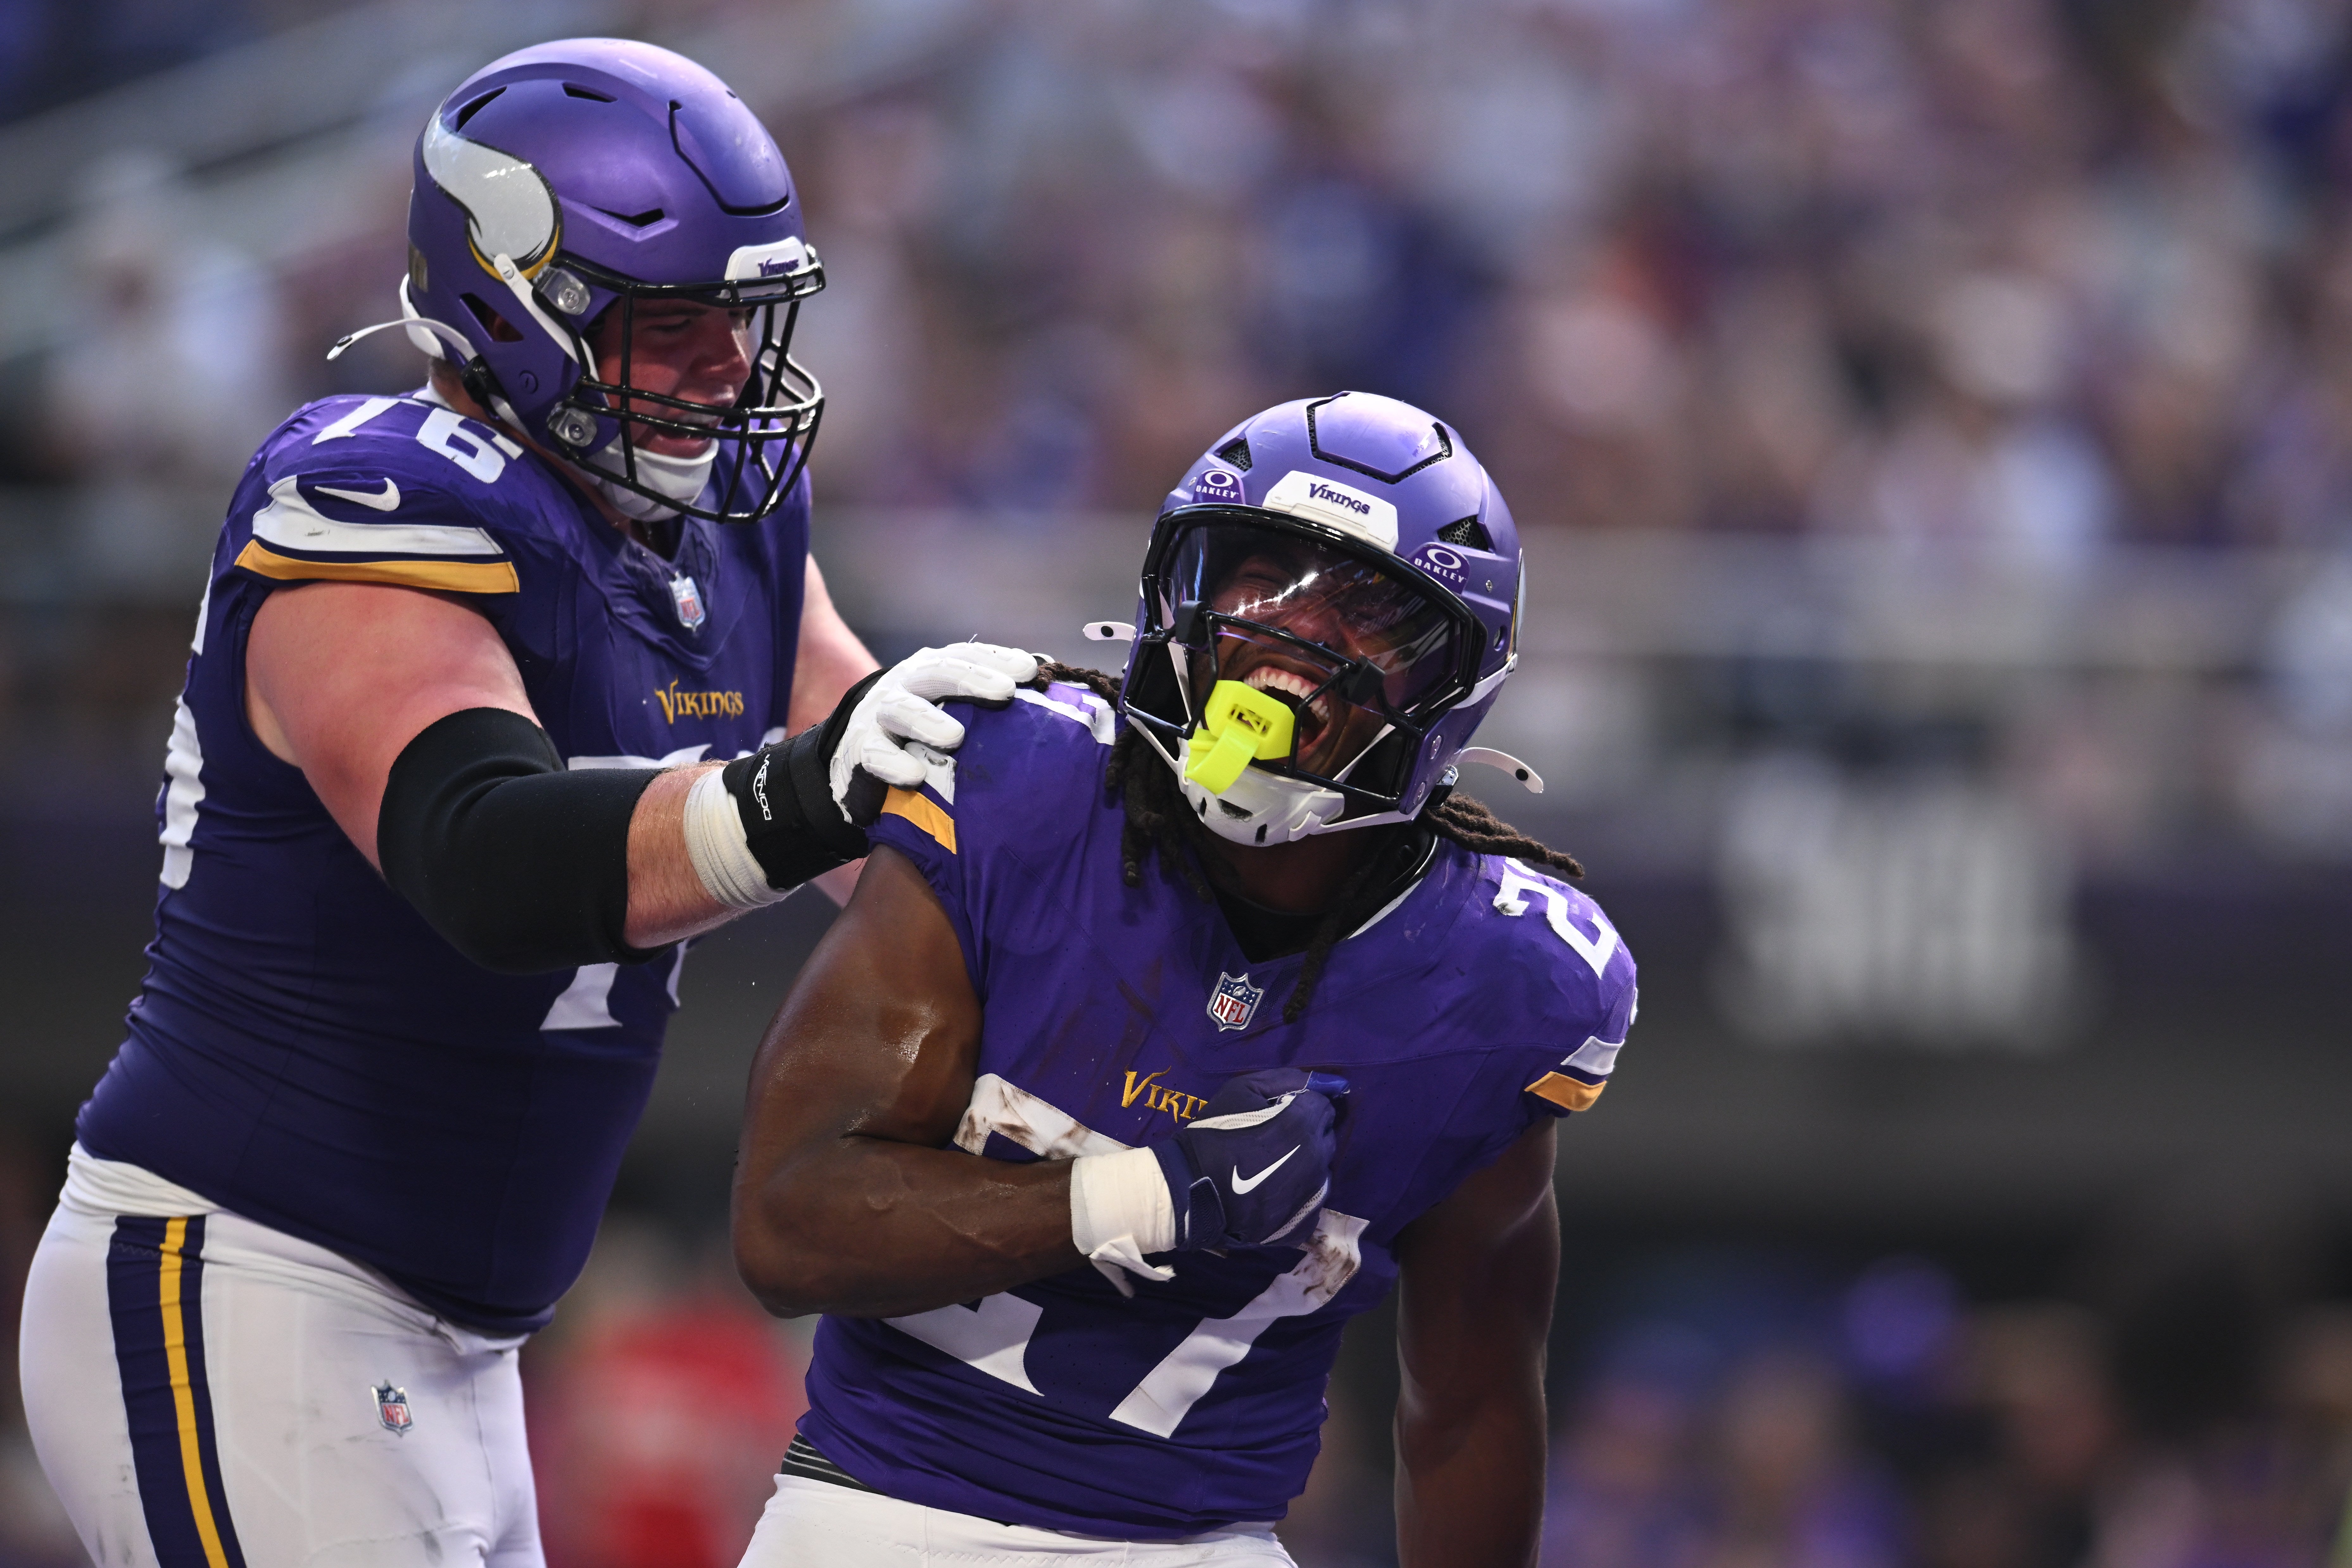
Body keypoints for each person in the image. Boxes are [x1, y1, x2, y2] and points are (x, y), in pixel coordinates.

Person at [18, 38, 1033, 1568]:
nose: (726, 369)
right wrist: (805, 795)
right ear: (510, 301)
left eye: (743, 318)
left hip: (466, 1342)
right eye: (671, 323)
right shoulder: (373, 503)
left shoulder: (725, 519)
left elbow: (909, 821)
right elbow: (485, 855)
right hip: (251, 1278)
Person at [731, 391, 1640, 1565]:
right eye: (1260, 582)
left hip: (1206, 1541)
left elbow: (1468, 1405)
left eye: (1366, 614)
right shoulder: (1014, 784)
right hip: (882, 1504)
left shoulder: (1505, 978)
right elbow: (788, 1223)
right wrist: (1152, 1196)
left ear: (1450, 686)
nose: (1293, 638)